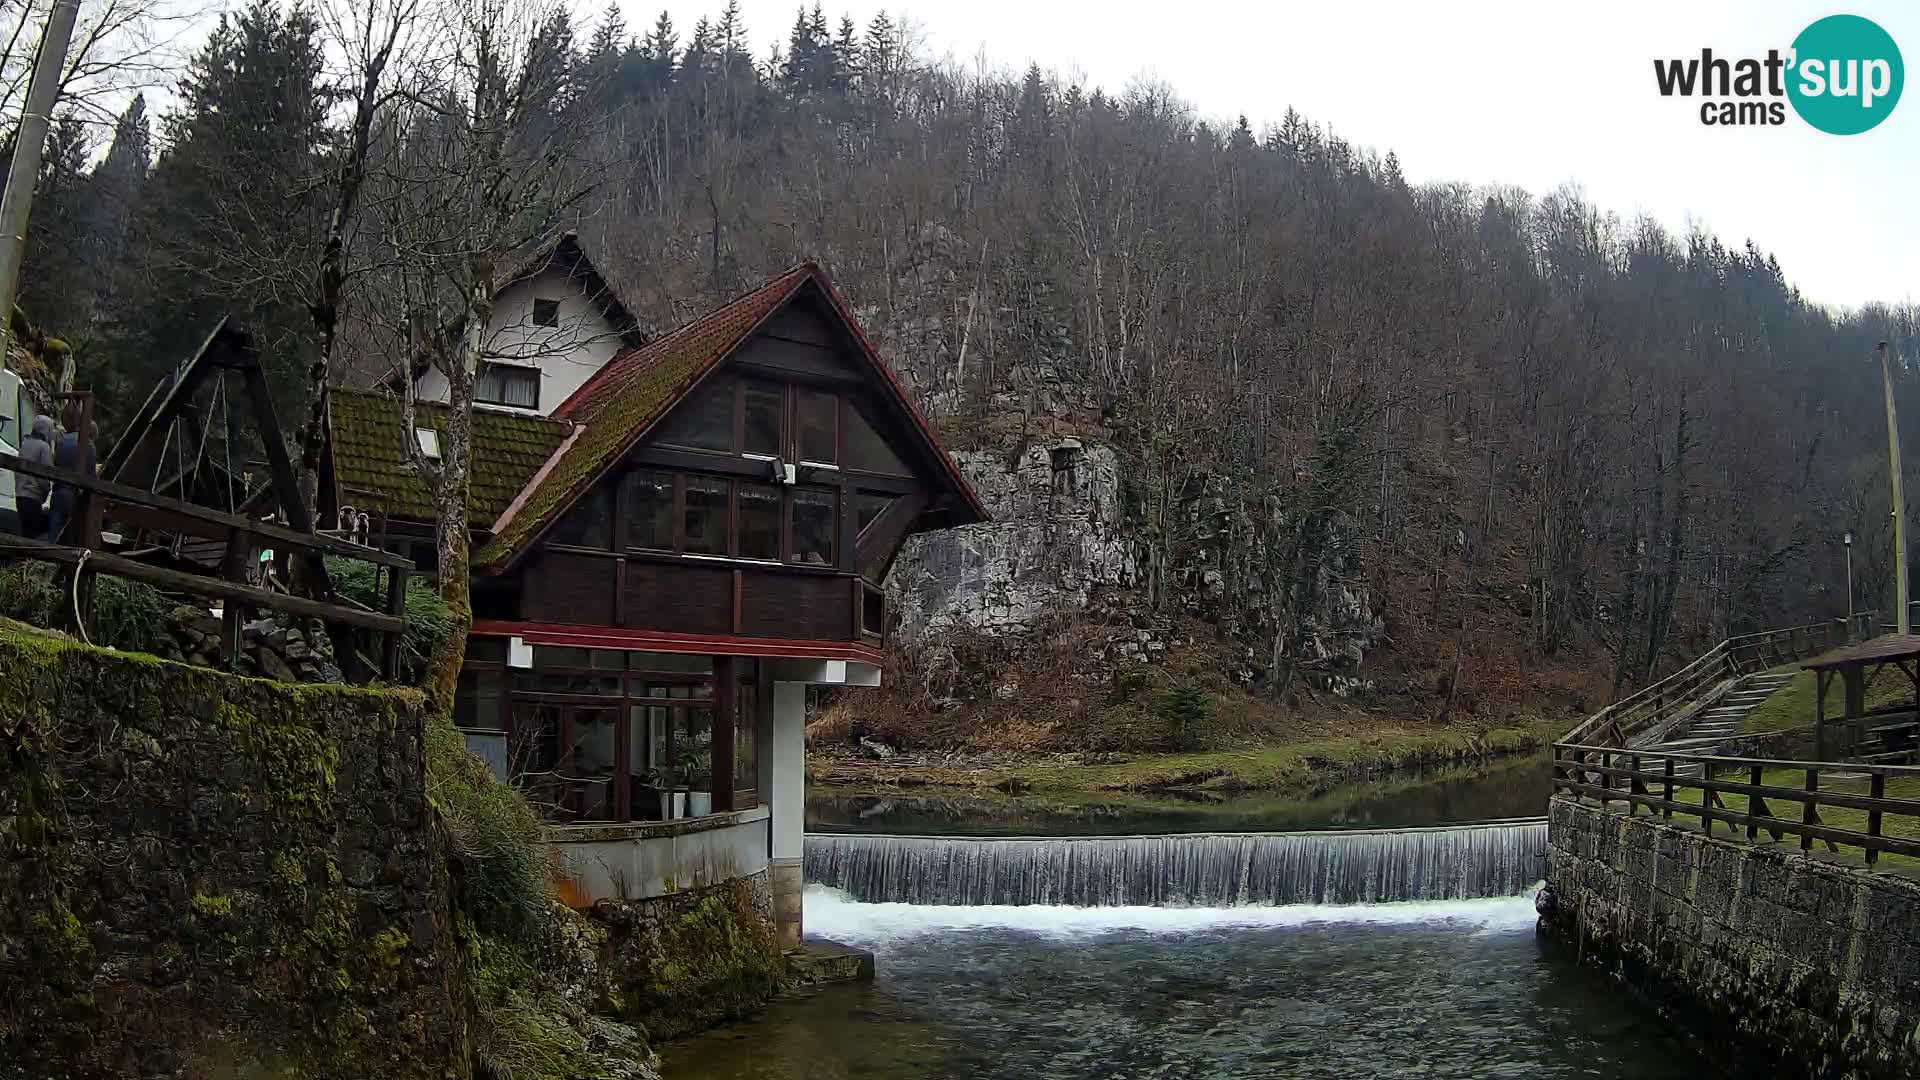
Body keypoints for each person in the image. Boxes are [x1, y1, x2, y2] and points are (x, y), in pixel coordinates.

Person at [47, 420, 95, 543]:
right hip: (74, 496)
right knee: (71, 537)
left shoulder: (63, 440)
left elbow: (55, 462)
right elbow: (91, 476)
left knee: (54, 533)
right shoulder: (89, 446)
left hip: (58, 492)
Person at [16, 414, 53, 539]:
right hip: (34, 496)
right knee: (36, 535)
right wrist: (47, 490)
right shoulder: (44, 447)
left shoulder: (25, 443)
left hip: (20, 495)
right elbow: (45, 475)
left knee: (25, 532)